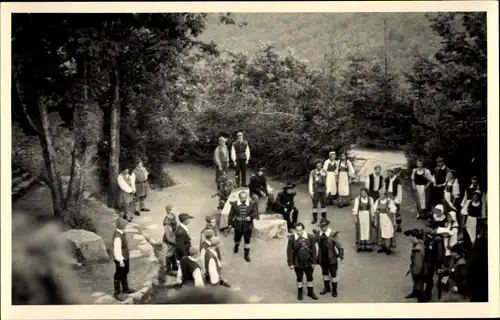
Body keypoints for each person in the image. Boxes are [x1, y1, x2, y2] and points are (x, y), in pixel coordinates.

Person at [286, 222, 318, 301]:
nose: (299, 232)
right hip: (297, 262)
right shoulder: (292, 238)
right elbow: (289, 251)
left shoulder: (310, 237)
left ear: (303, 229)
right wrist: (290, 263)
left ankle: (310, 292)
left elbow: (314, 250)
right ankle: (300, 292)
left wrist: (314, 261)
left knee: (310, 277)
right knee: (299, 278)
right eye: (297, 230)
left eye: (300, 230)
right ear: (295, 230)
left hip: (308, 261)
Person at [315, 218, 344, 298]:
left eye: (325, 226)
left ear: (327, 225)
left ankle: (334, 289)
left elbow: (339, 245)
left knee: (333, 274)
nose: (323, 228)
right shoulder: (318, 234)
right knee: (325, 273)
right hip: (322, 257)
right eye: (321, 226)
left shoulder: (333, 234)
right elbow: (313, 242)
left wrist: (341, 255)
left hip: (331, 258)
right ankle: (327, 288)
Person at [228, 191, 259, 262]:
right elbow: (231, 215)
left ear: (247, 197)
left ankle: (246, 255)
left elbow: (255, 213)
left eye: (245, 197)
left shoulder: (251, 204)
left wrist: (250, 217)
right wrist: (230, 223)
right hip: (238, 225)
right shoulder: (235, 204)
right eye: (242, 197)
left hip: (248, 226)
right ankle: (236, 245)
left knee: (247, 241)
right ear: (239, 197)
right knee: (236, 239)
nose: (244, 199)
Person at [113, 217, 135, 300]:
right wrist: (120, 260)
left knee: (125, 271)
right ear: (121, 226)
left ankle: (125, 288)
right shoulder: (117, 237)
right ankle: (117, 292)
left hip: (125, 257)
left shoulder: (121, 233)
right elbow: (117, 249)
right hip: (121, 258)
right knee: (119, 274)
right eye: (125, 225)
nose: (126, 226)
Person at [403, 228, 427, 302]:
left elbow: (418, 264)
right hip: (420, 268)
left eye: (410, 237)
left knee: (419, 287)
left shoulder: (417, 250)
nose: (409, 239)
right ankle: (415, 293)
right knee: (416, 285)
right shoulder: (419, 243)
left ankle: (421, 301)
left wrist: (414, 272)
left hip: (419, 271)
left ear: (414, 237)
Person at [373, 190, 398, 255]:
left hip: (388, 219)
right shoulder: (378, 201)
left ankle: (388, 248)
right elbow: (375, 210)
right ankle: (382, 246)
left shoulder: (389, 201)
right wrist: (375, 219)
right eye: (379, 194)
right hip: (380, 218)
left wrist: (394, 221)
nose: (380, 195)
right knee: (381, 233)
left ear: (385, 194)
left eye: (381, 194)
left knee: (388, 233)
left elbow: (393, 212)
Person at [352, 187, 375, 252]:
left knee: (367, 230)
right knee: (361, 230)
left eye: (364, 193)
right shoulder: (357, 199)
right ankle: (360, 246)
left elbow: (372, 209)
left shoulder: (370, 199)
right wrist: (355, 218)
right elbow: (355, 209)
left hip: (368, 216)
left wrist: (372, 218)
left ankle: (368, 246)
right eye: (362, 193)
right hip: (360, 216)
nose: (363, 194)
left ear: (367, 193)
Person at [308, 159, 328, 224]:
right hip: (315, 190)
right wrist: (311, 191)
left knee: (323, 204)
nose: (319, 167)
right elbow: (310, 182)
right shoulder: (312, 172)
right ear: (315, 166)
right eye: (318, 166)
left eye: (320, 166)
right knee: (314, 204)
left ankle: (324, 218)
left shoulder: (324, 171)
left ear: (322, 165)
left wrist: (328, 190)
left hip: (323, 189)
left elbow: (327, 181)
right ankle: (314, 218)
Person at [161, 205, 178, 278]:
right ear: (168, 211)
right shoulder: (167, 222)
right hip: (169, 240)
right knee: (169, 254)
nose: (174, 211)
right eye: (172, 210)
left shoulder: (173, 217)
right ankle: (168, 269)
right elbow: (168, 234)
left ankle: (174, 265)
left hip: (174, 237)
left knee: (173, 252)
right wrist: (172, 241)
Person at [385, 168, 403, 233]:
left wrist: (397, 200)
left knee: (397, 212)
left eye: (390, 172)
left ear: (393, 173)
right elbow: (385, 188)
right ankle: (390, 225)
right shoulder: (387, 179)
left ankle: (399, 226)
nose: (389, 174)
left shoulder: (397, 180)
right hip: (388, 196)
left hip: (395, 196)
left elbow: (399, 191)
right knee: (389, 211)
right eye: (388, 172)